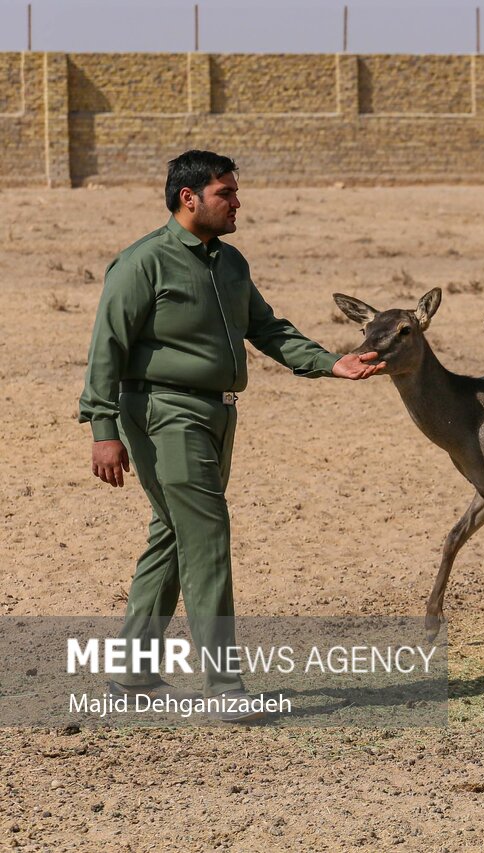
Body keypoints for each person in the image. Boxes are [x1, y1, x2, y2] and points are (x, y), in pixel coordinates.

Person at [78, 150, 384, 722]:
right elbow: (107, 349)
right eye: (226, 193)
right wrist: (103, 429)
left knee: (174, 532)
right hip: (163, 413)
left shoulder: (230, 262)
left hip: (219, 414)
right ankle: (224, 684)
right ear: (188, 198)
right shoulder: (142, 263)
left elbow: (266, 328)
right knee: (207, 534)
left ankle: (132, 672)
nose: (237, 201)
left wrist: (329, 362)